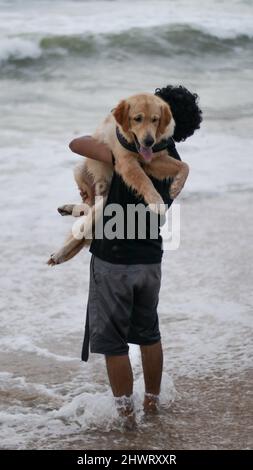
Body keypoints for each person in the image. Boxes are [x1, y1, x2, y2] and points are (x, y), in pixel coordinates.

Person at [69, 85, 202, 428]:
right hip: (150, 259)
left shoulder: (128, 149)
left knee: (114, 344)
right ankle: (153, 406)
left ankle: (128, 418)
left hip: (113, 259)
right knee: (149, 334)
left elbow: (76, 144)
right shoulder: (172, 164)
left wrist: (118, 138)